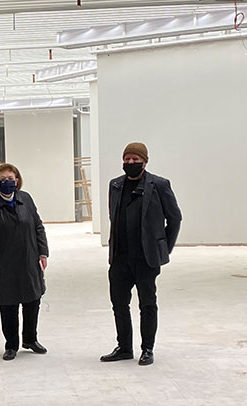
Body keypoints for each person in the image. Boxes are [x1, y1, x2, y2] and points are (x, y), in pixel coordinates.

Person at [101, 142, 181, 367]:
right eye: (127, 159)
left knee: (147, 304)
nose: (131, 163)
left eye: (135, 159)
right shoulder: (115, 185)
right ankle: (124, 348)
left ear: (145, 162)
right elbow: (113, 216)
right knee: (119, 304)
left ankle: (147, 349)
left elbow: (175, 218)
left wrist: (163, 247)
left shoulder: (160, 185)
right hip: (120, 257)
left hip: (146, 257)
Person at [0, 163, 49, 361]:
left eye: (11, 179)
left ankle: (30, 339)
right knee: (8, 305)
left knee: (33, 300)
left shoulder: (26, 199)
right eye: (3, 179)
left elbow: (38, 226)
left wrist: (43, 252)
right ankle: (11, 345)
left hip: (28, 261)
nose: (7, 182)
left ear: (17, 180)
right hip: (3, 265)